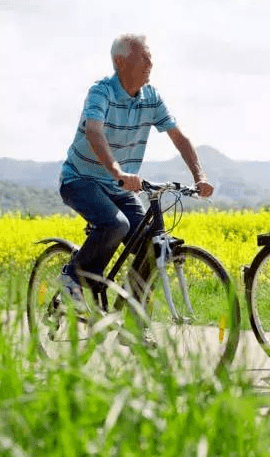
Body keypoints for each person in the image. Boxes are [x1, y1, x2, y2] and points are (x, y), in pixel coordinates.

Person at [59, 34, 213, 303]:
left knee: (153, 249)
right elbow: (94, 132)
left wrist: (199, 176)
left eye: (150, 57)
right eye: (144, 57)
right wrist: (118, 172)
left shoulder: (151, 97)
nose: (150, 63)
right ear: (120, 61)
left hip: (118, 187)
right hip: (80, 180)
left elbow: (179, 137)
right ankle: (72, 275)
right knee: (116, 224)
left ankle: (131, 320)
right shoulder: (101, 92)